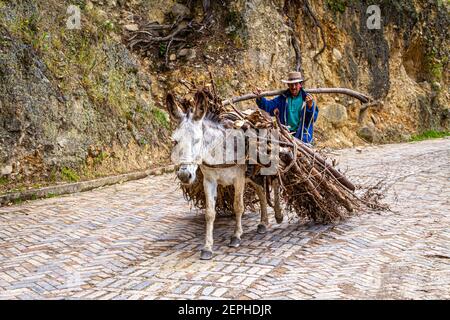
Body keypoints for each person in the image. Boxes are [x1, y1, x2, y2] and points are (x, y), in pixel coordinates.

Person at [254, 71, 319, 144]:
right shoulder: (283, 98)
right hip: (286, 135)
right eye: (291, 84)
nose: (293, 87)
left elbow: (313, 119)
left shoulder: (307, 99)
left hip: (302, 137)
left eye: (296, 84)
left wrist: (310, 106)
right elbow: (269, 106)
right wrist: (260, 98)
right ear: (288, 85)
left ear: (300, 85)